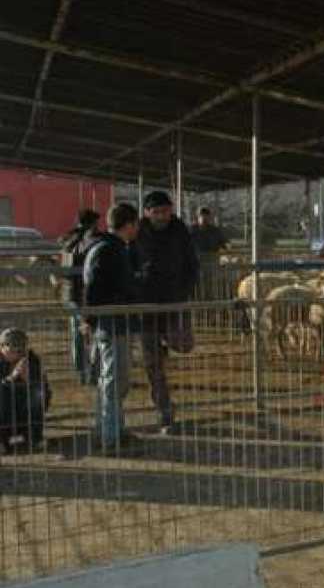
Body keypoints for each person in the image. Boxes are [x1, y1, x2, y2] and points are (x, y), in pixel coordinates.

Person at [134, 191, 199, 434]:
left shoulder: (179, 230)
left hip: (175, 302)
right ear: (147, 212)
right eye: (157, 211)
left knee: (185, 344)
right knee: (153, 364)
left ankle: (166, 343)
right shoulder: (138, 232)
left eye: (166, 210)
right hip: (147, 308)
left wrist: (185, 290)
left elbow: (192, 263)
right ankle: (165, 411)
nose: (162, 216)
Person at [81, 203, 142, 449]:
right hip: (112, 323)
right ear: (128, 225)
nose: (137, 229)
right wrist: (90, 319)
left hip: (114, 322)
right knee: (114, 380)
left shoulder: (112, 248)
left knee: (114, 380)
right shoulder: (108, 250)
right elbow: (94, 288)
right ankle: (111, 437)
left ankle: (113, 430)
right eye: (136, 224)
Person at [58, 209, 101, 384]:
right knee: (94, 332)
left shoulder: (68, 240)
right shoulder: (90, 240)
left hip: (70, 294)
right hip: (85, 293)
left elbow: (64, 269)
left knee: (78, 333)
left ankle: (82, 371)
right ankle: (92, 372)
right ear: (92, 223)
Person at [0, 328, 52, 452]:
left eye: (20, 350)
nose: (17, 354)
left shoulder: (31, 359)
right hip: (3, 413)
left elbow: (45, 391)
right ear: (2, 347)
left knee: (38, 392)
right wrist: (12, 377)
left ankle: (34, 438)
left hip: (23, 410)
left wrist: (29, 379)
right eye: (12, 349)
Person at [189, 207, 228, 300]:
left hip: (211, 262)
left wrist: (226, 251)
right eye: (202, 216)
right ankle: (196, 302)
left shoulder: (215, 231)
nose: (204, 219)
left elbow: (224, 244)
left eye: (206, 216)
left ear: (209, 217)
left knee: (209, 284)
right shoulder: (191, 230)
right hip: (196, 262)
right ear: (197, 217)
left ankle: (209, 302)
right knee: (196, 284)